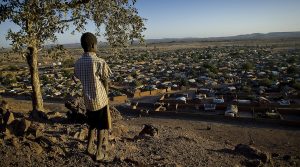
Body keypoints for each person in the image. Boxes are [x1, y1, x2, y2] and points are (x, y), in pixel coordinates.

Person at [73, 32, 112, 161]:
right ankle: (99, 153)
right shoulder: (99, 61)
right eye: (97, 45)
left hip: (88, 100)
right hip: (100, 100)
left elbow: (75, 78)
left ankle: (88, 148)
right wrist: (106, 95)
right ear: (93, 45)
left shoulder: (78, 63)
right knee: (101, 127)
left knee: (92, 125)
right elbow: (105, 81)